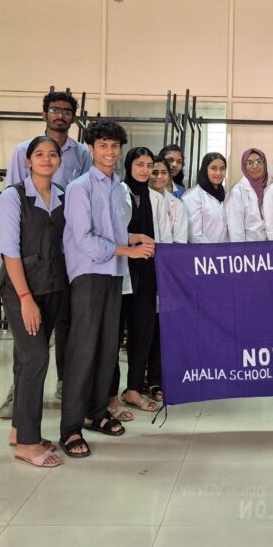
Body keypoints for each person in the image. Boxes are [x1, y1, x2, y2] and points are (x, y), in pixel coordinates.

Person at [59, 120, 155, 459]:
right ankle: (70, 428)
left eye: (115, 145)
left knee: (107, 348)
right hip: (89, 273)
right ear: (91, 147)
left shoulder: (117, 186)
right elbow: (84, 237)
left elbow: (113, 230)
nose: (110, 151)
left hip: (114, 272)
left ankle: (96, 413)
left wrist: (133, 238)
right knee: (84, 350)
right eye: (103, 145)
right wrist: (127, 250)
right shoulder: (80, 187)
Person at [0, 90, 90, 419]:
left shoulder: (82, 155)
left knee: (64, 327)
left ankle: (65, 383)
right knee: (30, 342)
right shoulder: (20, 156)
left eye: (66, 111)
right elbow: (15, 208)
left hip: (62, 263)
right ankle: (20, 392)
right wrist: (24, 293)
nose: (60, 115)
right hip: (28, 264)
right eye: (54, 109)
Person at [0, 135, 68, 468]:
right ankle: (27, 443)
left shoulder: (63, 195)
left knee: (26, 359)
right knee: (36, 357)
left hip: (52, 287)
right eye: (39, 154)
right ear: (28, 160)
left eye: (52, 154)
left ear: (59, 160)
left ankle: (18, 430)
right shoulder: (12, 197)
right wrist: (26, 299)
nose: (46, 159)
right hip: (21, 291)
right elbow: (10, 252)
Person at [114, 147, 170, 416]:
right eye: (139, 164)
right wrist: (133, 240)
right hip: (119, 271)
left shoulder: (155, 198)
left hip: (147, 273)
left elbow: (163, 236)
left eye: (149, 165)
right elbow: (110, 230)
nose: (145, 170)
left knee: (143, 332)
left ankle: (134, 389)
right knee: (113, 337)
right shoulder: (118, 192)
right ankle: (108, 394)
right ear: (129, 165)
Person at [144, 156, 188, 402]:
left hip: (169, 272)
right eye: (155, 172)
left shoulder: (176, 204)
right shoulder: (141, 199)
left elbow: (180, 240)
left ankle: (158, 379)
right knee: (145, 328)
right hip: (145, 270)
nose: (159, 177)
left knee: (164, 329)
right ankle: (141, 379)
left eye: (163, 173)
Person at [183, 152, 230, 243]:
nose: (218, 173)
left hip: (226, 250)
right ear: (205, 169)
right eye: (213, 168)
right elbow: (194, 235)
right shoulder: (192, 196)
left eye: (222, 168)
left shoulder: (226, 195)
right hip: (204, 251)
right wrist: (213, 251)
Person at [227, 148, 269, 242]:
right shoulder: (237, 192)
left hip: (268, 247)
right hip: (247, 247)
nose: (255, 166)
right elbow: (236, 230)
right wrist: (241, 250)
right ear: (244, 166)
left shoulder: (268, 188)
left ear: (264, 164)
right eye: (249, 163)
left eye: (259, 162)